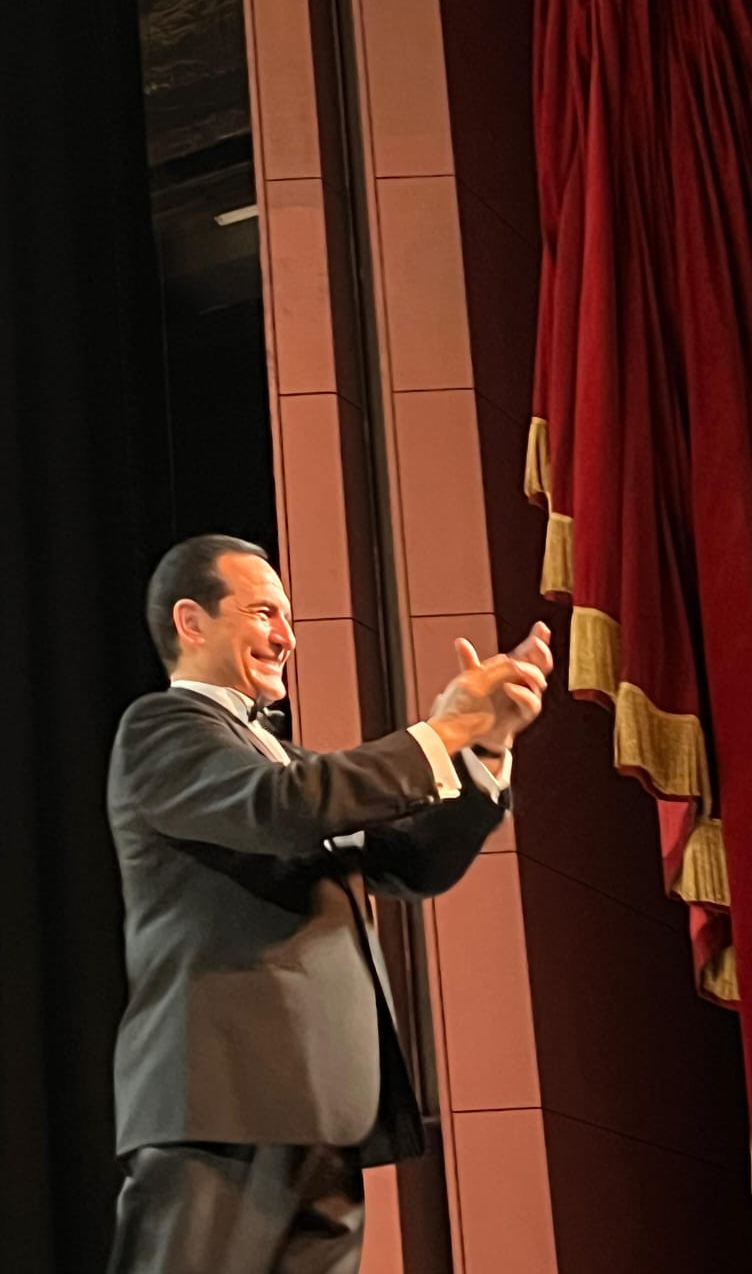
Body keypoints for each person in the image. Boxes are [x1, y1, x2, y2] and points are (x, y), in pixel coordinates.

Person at [106, 534, 551, 1274]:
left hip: (326, 1112)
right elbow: (286, 808)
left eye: (288, 617)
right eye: (263, 613)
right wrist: (444, 729)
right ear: (191, 622)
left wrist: (485, 750)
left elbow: (411, 863)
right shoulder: (160, 730)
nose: (286, 636)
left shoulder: (292, 764)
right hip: (223, 1104)